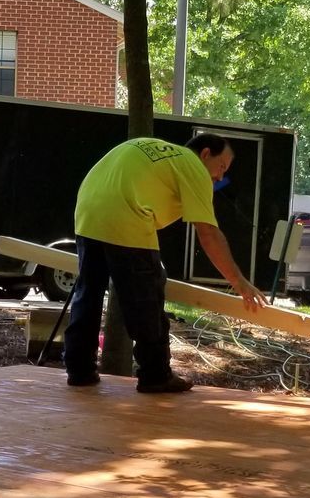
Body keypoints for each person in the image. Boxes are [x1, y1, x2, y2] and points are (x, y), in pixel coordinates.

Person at [63, 131, 267, 393]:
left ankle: (79, 370)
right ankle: (155, 375)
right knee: (147, 295)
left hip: (88, 211)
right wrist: (239, 282)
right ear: (205, 154)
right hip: (127, 215)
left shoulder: (157, 151)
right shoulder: (193, 165)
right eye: (221, 167)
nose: (219, 177)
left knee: (88, 293)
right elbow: (208, 234)